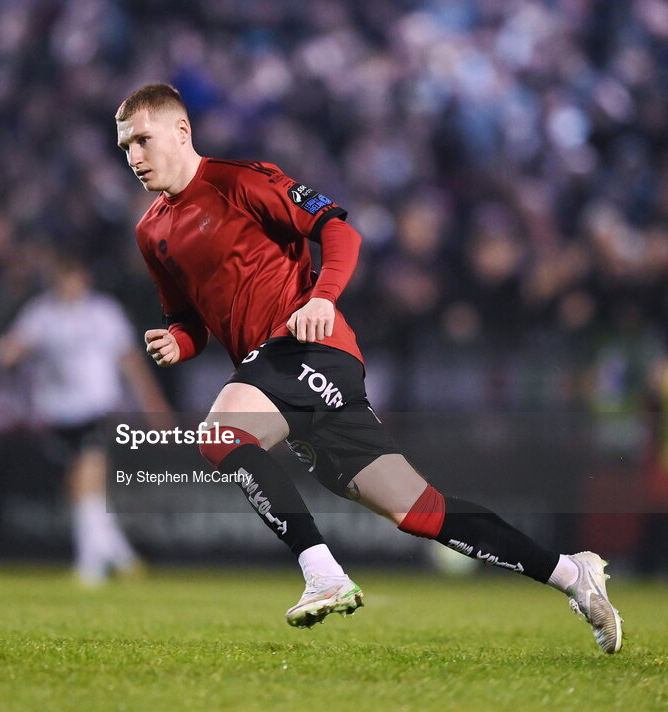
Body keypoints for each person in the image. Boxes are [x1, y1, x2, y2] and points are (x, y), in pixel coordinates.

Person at [115, 83, 623, 653]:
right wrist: (177, 343)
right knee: (421, 512)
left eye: (142, 140)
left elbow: (340, 231)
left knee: (219, 435)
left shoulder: (242, 180)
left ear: (181, 132)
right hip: (278, 374)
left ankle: (323, 574)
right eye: (125, 147)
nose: (133, 158)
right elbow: (191, 323)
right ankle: (571, 574)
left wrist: (322, 298)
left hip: (311, 348)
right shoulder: (151, 231)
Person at [0, 253, 172, 586]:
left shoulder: (103, 314)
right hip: (58, 413)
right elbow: (15, 346)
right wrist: (5, 351)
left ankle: (90, 568)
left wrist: (153, 404)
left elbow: (131, 362)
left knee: (85, 480)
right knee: (79, 491)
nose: (70, 285)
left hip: (97, 408)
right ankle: (123, 557)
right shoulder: (42, 314)